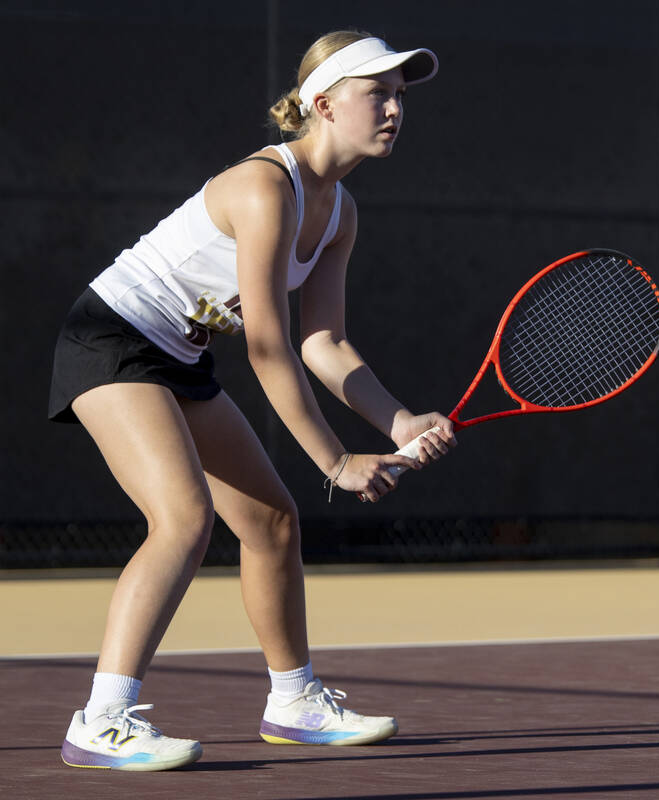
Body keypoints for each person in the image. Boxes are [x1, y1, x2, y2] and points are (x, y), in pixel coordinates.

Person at [48, 30, 457, 771]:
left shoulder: (340, 213)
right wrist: (334, 461)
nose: (395, 108)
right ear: (324, 104)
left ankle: (293, 699)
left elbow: (322, 343)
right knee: (183, 520)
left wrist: (397, 420)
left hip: (178, 355)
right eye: (378, 93)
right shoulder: (266, 188)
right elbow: (267, 344)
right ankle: (101, 719)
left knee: (270, 522)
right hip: (109, 340)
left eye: (400, 95)